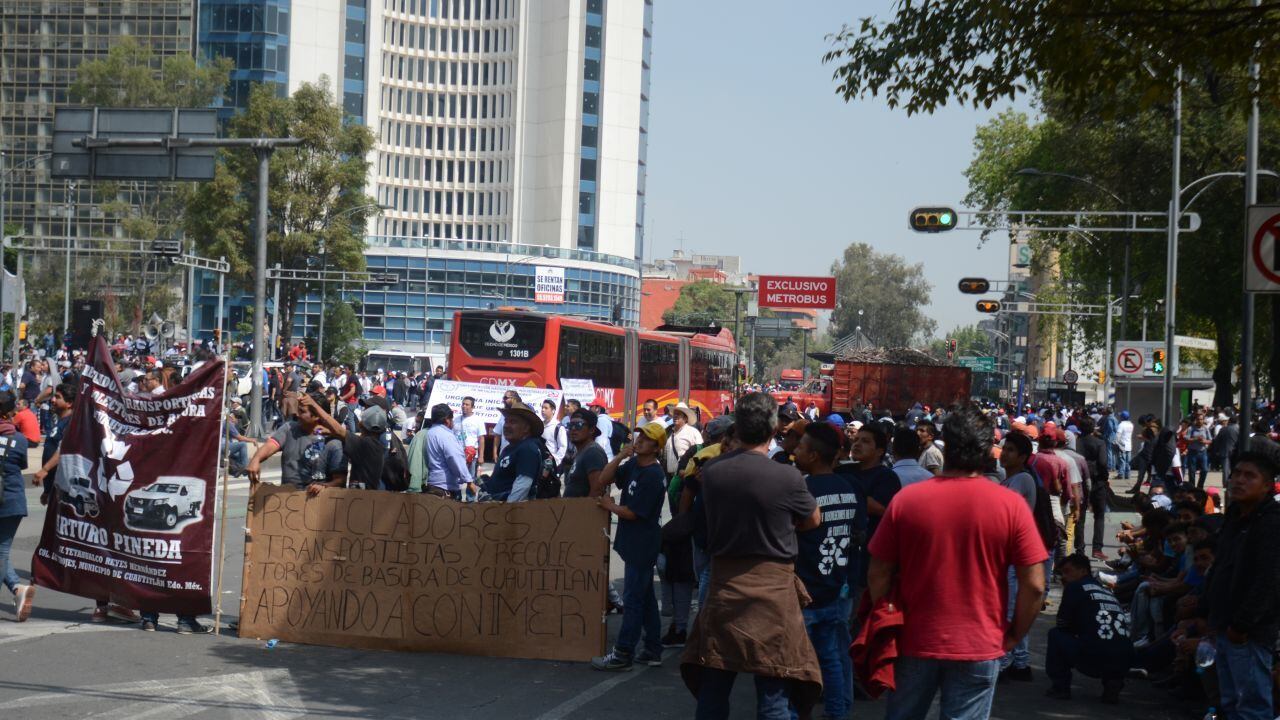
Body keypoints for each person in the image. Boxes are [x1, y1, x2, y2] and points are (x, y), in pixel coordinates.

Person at [867, 404, 1048, 720]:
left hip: (914, 639)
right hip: (980, 643)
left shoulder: (907, 502)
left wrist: (886, 616)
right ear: (986, 450)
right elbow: (1034, 586)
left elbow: (878, 572)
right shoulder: (1010, 506)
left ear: (945, 446)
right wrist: (1014, 636)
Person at [680, 392, 823, 719]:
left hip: (725, 586)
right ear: (774, 429)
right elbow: (813, 520)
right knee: (774, 692)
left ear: (736, 429)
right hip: (772, 592)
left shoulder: (713, 471)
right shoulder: (787, 476)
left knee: (715, 683)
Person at [792, 422, 864, 720]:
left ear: (813, 456)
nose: (795, 450)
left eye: (800, 447)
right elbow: (858, 533)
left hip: (805, 593)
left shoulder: (804, 489)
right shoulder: (847, 488)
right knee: (831, 659)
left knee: (796, 665)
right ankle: (836, 712)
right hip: (834, 589)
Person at [1204, 445, 1280, 720]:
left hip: (1249, 633)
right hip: (1224, 626)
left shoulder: (1271, 522)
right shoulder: (1235, 518)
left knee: (1251, 707)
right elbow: (1220, 566)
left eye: (1250, 476)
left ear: (1268, 485)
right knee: (1230, 704)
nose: (1239, 480)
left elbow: (1269, 580)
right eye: (1236, 473)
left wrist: (1242, 625)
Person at [591, 423, 669, 671]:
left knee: (633, 599)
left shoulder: (654, 475)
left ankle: (623, 652)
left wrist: (609, 506)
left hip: (643, 544)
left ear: (656, 448)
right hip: (631, 541)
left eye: (647, 439)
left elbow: (634, 513)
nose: (641, 440)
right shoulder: (635, 464)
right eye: (641, 436)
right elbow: (604, 478)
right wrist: (621, 455)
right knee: (644, 597)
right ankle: (652, 649)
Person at [1045, 554, 1135, 703]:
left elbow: (1062, 624)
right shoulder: (1107, 592)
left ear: (1083, 571)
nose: (1064, 577)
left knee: (1056, 635)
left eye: (1068, 571)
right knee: (1109, 641)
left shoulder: (1075, 587)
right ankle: (1113, 681)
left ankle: (1060, 687)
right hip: (1126, 657)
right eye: (1062, 573)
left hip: (1095, 657)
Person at [246, 391, 347, 494]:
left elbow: (340, 480)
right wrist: (256, 459)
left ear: (317, 416)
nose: (297, 414)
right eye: (298, 409)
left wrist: (324, 486)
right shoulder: (289, 428)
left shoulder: (333, 442)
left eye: (302, 411)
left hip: (316, 504)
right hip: (287, 501)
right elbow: (270, 445)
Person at [301, 393, 386, 491]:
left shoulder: (364, 444)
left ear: (361, 424)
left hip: (360, 500)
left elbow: (339, 430)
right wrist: (329, 431)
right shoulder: (376, 445)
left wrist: (313, 405)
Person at [0, 391, 33, 622]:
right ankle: (16, 589)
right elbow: (21, 464)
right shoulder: (19, 439)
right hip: (12, 499)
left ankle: (16, 589)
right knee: (1, 550)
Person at [483, 401, 542, 502]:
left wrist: (507, 510)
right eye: (506, 421)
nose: (506, 426)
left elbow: (522, 486)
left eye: (513, 422)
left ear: (526, 428)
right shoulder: (510, 448)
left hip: (510, 512)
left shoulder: (527, 449)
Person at [1074, 417, 1109, 560]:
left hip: (1080, 481)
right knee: (1099, 515)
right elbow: (1103, 462)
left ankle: (1080, 549)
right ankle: (1097, 548)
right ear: (1093, 427)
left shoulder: (1076, 443)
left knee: (1080, 516)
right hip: (1097, 481)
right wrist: (1104, 477)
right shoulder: (1100, 443)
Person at [421, 403, 471, 498]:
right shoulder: (446, 435)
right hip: (444, 487)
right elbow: (454, 458)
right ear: (447, 420)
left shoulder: (430, 432)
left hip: (432, 483)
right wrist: (469, 480)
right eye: (452, 419)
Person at [563, 407, 608, 498]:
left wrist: (584, 511)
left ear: (591, 430)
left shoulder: (593, 452)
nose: (573, 429)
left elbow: (597, 490)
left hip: (584, 511)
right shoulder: (582, 451)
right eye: (570, 425)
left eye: (579, 425)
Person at [662, 403, 703, 477]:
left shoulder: (693, 432)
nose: (675, 416)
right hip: (669, 476)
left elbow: (700, 452)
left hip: (684, 476)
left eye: (678, 414)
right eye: (674, 414)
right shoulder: (668, 432)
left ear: (685, 418)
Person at [1184, 414, 1212, 489]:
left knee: (1205, 470)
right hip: (1192, 452)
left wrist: (1204, 441)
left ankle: (1200, 486)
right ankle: (1192, 487)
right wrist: (1195, 439)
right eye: (1198, 419)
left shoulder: (1206, 429)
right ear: (1196, 420)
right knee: (1192, 472)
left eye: (1201, 419)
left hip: (1202, 452)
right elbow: (1186, 439)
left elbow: (1210, 440)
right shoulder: (1191, 428)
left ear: (1203, 420)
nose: (1200, 421)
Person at [541, 399, 568, 466]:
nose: (543, 410)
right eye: (542, 408)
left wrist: (555, 461)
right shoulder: (540, 425)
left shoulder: (558, 427)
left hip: (550, 464)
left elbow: (563, 446)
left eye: (546, 408)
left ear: (553, 411)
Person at [1115, 411, 1134, 482]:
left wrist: (1116, 443)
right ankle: (1127, 474)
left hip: (1122, 444)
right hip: (1129, 445)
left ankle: (1121, 474)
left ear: (1122, 417)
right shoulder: (1131, 425)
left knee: (1122, 460)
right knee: (1128, 461)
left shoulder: (1121, 425)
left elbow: (1118, 435)